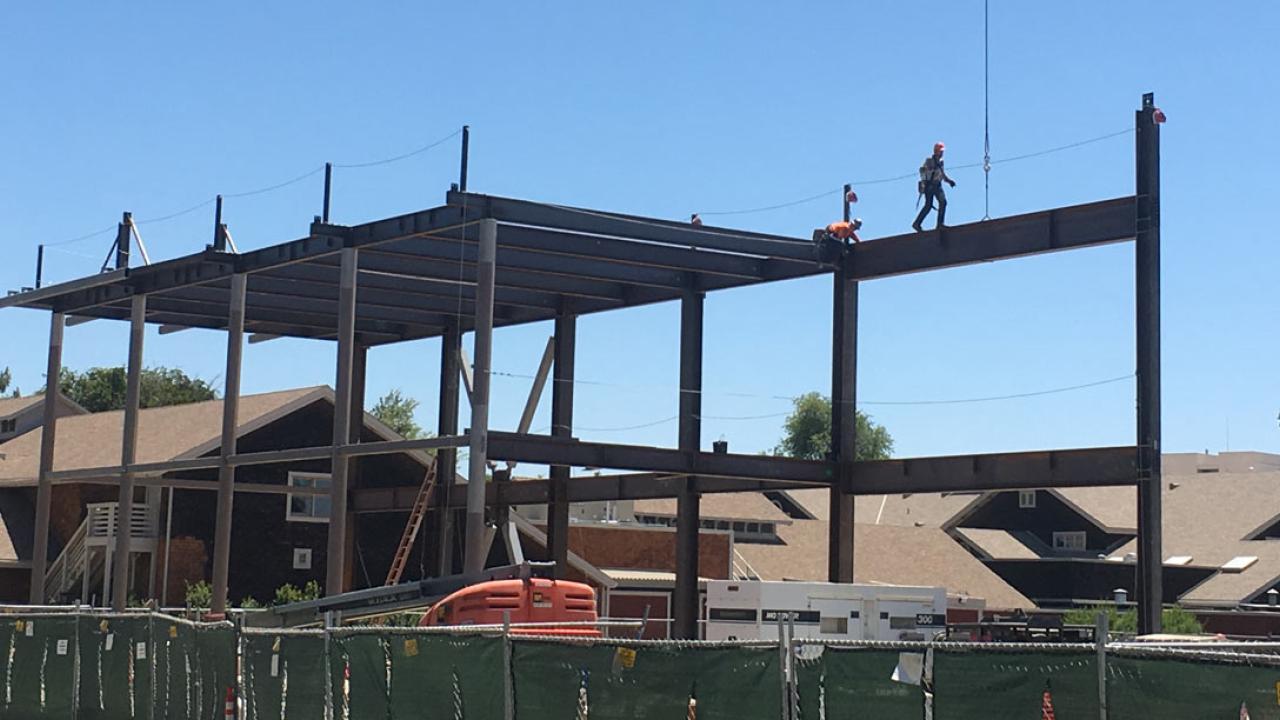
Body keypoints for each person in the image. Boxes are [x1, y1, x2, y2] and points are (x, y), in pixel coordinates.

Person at [912, 142, 956, 232]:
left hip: (937, 185)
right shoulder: (929, 161)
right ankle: (917, 224)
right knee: (928, 205)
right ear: (936, 151)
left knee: (943, 202)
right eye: (941, 151)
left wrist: (949, 181)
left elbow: (942, 174)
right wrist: (925, 182)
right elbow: (922, 171)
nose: (942, 153)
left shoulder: (941, 162)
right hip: (930, 185)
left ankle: (940, 224)